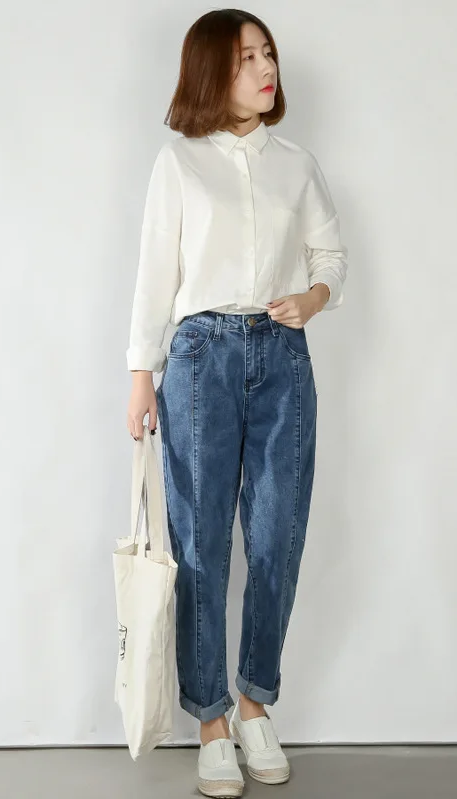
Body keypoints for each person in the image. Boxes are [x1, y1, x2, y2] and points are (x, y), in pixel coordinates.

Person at [125, 9, 348, 797]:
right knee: (201, 544)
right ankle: (212, 720)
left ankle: (255, 703)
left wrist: (313, 298)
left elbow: (330, 254)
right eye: (247, 56)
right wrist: (140, 372)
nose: (265, 67)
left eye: (268, 54)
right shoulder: (180, 163)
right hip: (199, 359)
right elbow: (156, 272)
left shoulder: (297, 164)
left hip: (282, 355)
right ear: (210, 71)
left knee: (279, 534)